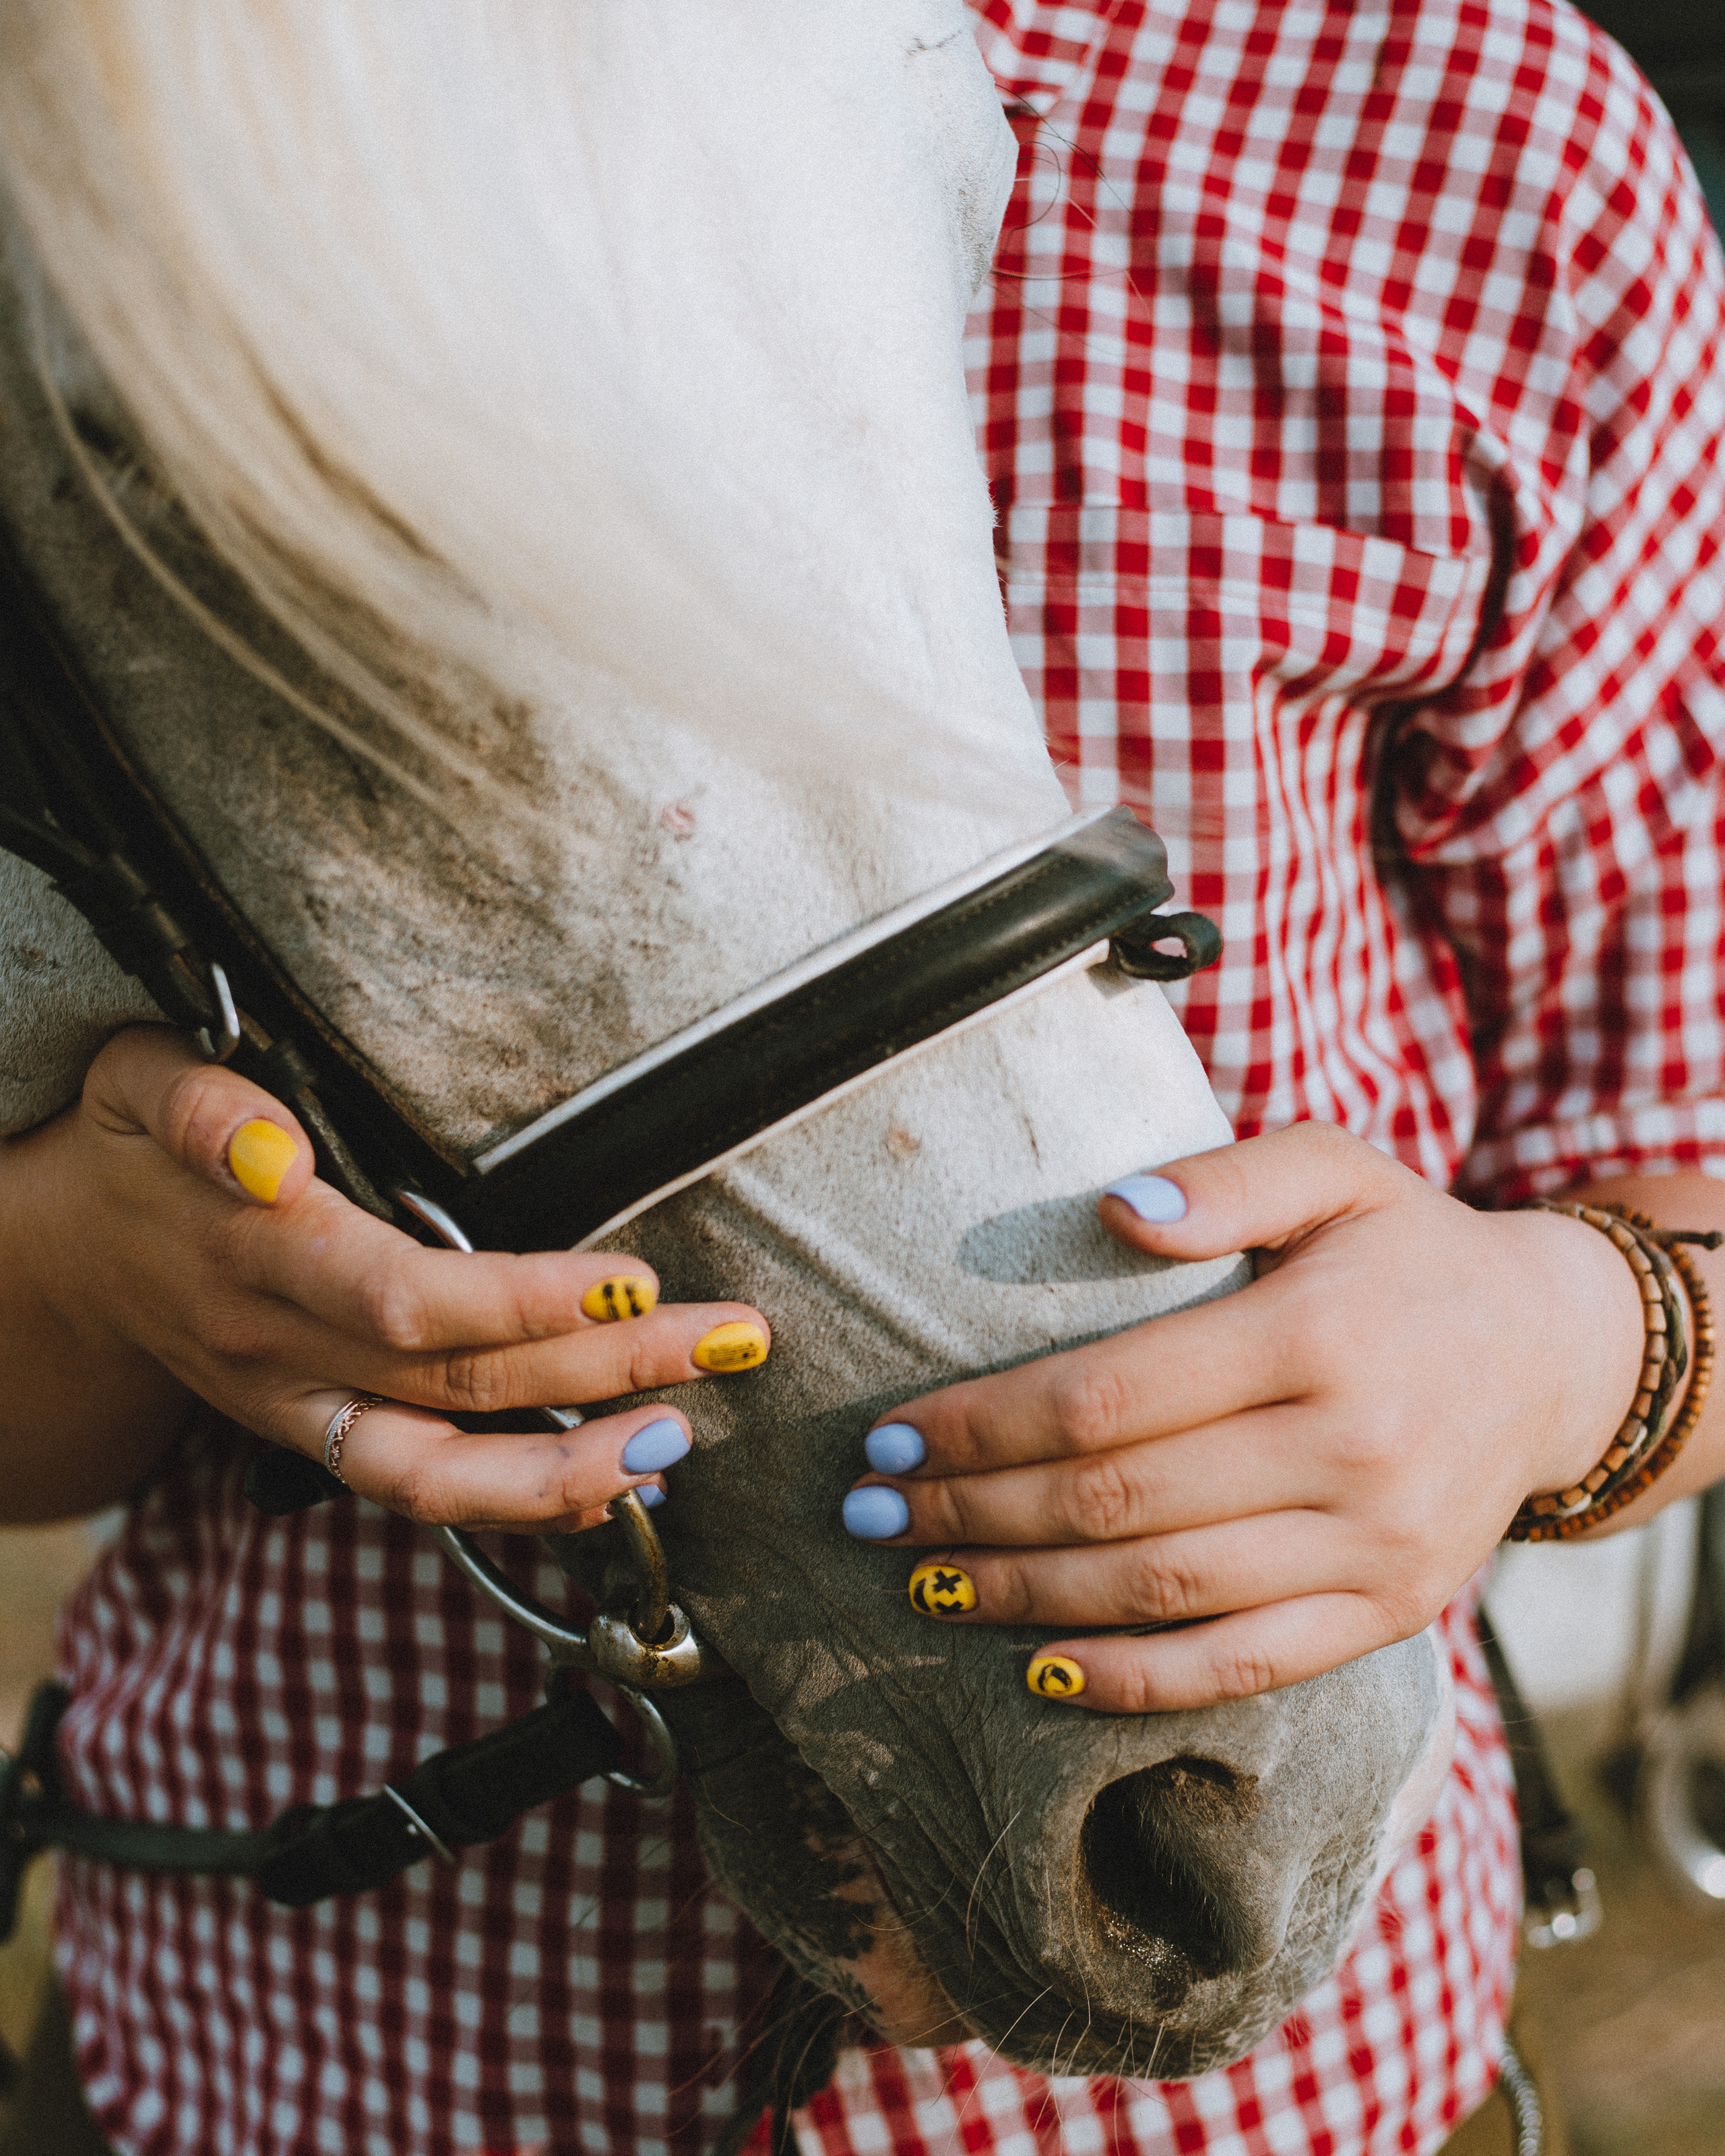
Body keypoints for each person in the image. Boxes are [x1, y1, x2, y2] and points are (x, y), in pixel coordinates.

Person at [2, 1, 1722, 2152]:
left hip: (1290, 2077)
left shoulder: (1466, 129)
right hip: (312, 2052)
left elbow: (1689, 1168)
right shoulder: (148, 98)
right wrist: (92, 1267)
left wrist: (1560, 1350)